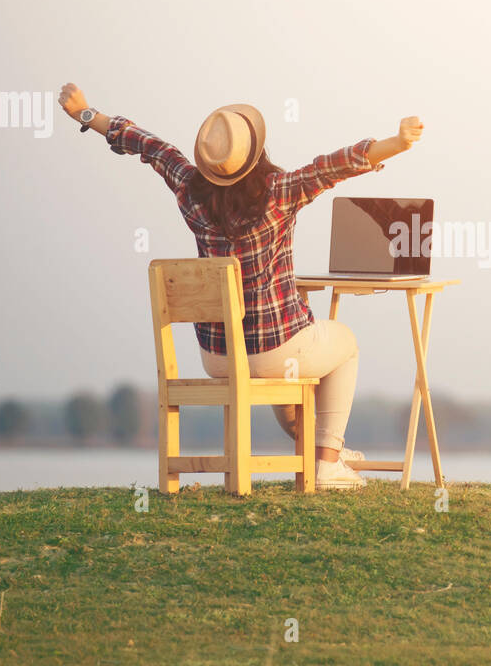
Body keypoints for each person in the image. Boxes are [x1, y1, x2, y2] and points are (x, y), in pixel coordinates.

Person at [57, 83, 424, 490]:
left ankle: (323, 451)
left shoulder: (188, 190)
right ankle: (325, 462)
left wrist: (85, 114)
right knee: (346, 344)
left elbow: (149, 146)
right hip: (272, 353)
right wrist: (396, 143)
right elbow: (331, 166)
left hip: (217, 357)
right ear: (257, 153)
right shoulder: (279, 192)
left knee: (289, 363)